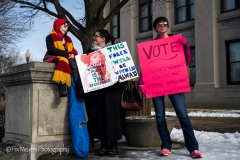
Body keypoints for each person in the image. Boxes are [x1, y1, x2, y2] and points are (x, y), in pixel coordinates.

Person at [139, 17, 202, 158]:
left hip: (175, 82)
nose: (162, 26)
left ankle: (193, 148)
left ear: (167, 27)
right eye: (159, 24)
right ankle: (166, 146)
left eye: (165, 24)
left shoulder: (177, 42)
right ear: (155, 27)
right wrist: (142, 82)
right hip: (156, 84)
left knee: (183, 115)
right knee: (160, 117)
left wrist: (185, 45)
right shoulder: (150, 46)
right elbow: (146, 66)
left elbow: (187, 58)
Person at [83, 29, 125, 156]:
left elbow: (123, 67)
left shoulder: (115, 51)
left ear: (104, 39)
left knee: (112, 117)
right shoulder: (89, 53)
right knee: (99, 117)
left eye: (97, 36)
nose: (94, 38)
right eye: (94, 35)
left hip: (112, 91)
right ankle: (103, 143)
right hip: (97, 92)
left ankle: (113, 144)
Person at [43, 18, 84, 98]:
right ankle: (62, 85)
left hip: (66, 57)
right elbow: (51, 49)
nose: (66, 29)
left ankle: (78, 86)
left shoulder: (68, 39)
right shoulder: (50, 37)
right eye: (65, 27)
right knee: (63, 61)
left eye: (67, 28)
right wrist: (66, 54)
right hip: (52, 56)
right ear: (58, 26)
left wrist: (73, 54)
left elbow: (73, 50)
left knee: (73, 63)